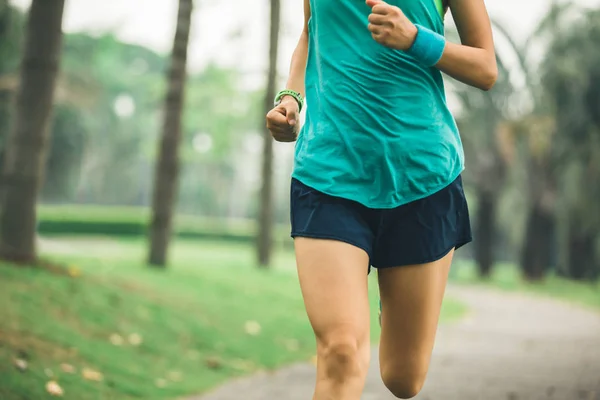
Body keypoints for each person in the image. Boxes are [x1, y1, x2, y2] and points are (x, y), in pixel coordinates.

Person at [266, 0, 496, 398]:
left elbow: (486, 68)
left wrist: (414, 39)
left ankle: (391, 304)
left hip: (423, 180)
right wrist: (291, 98)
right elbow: (311, 30)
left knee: (403, 378)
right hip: (329, 174)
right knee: (341, 351)